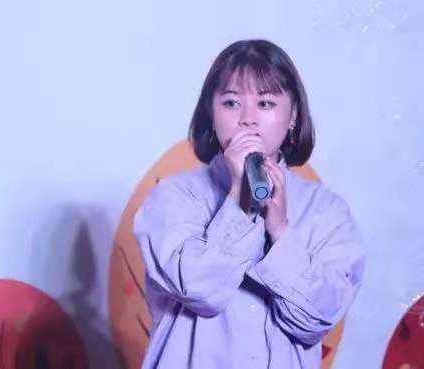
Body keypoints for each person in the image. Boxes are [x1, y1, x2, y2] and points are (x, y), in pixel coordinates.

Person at [133, 39, 366, 368]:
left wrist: (280, 231)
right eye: (231, 103)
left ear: (293, 116)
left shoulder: (327, 211)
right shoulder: (173, 197)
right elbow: (199, 289)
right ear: (211, 113)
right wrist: (239, 202)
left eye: (266, 103)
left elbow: (317, 320)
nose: (247, 119)